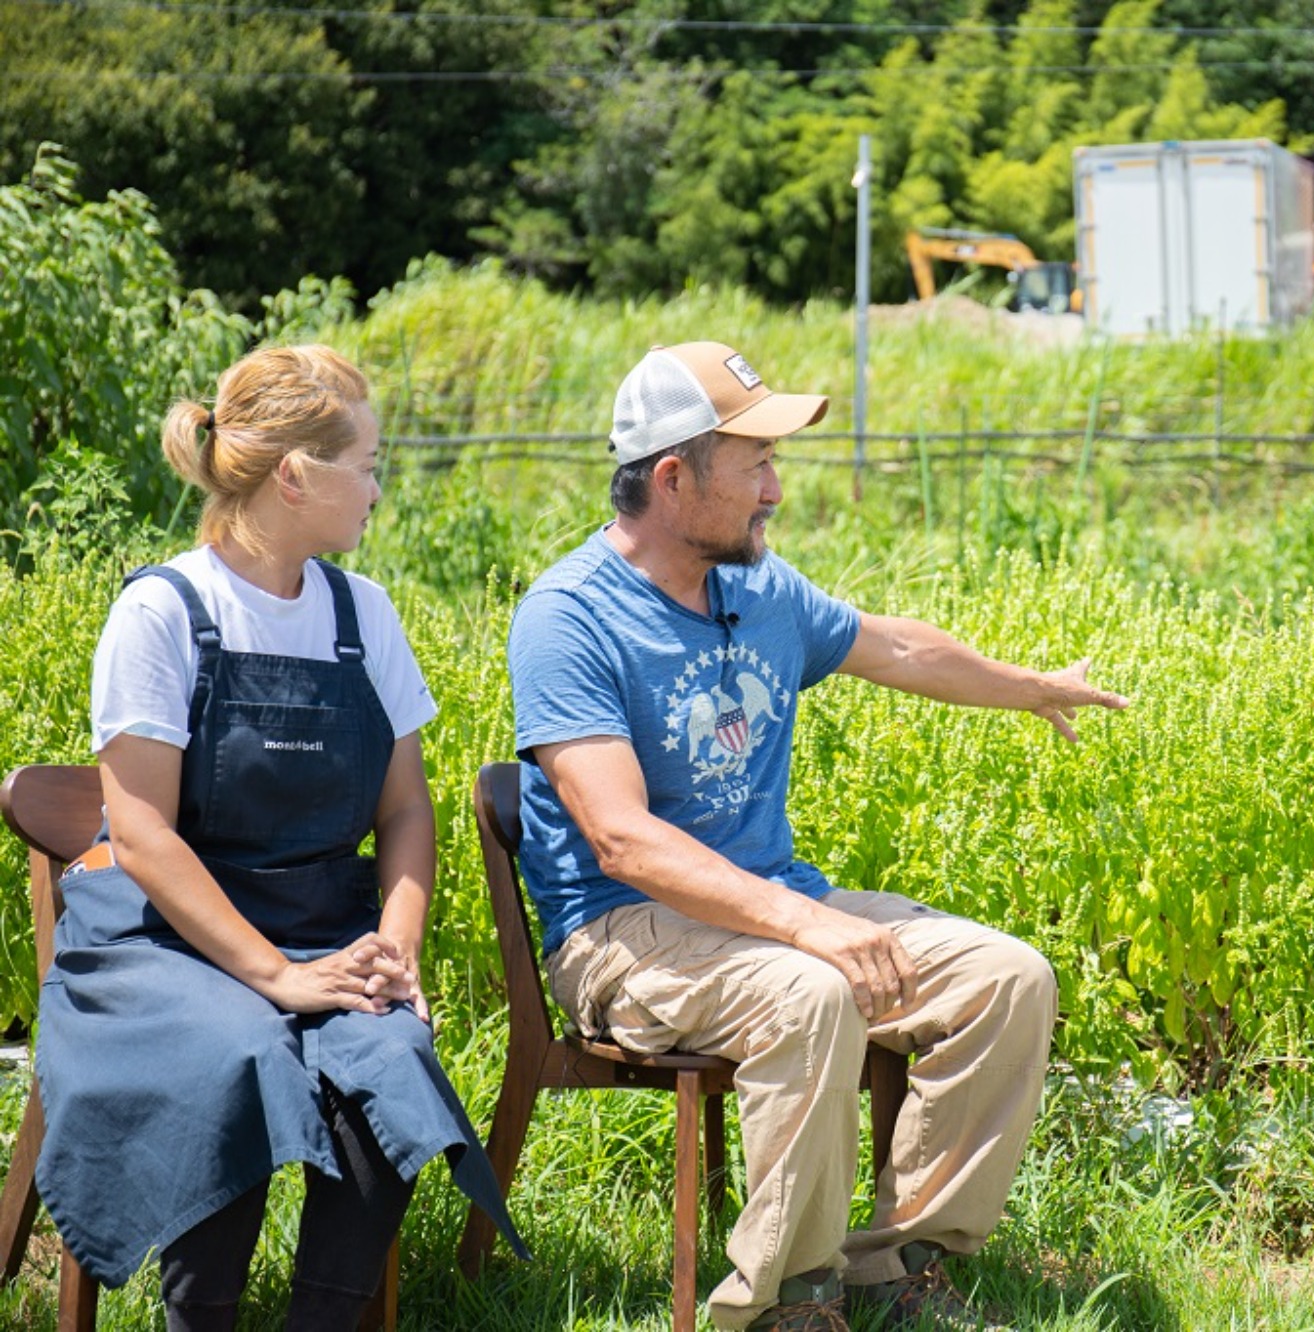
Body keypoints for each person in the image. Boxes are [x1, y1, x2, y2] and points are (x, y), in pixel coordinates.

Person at [507, 340, 1127, 1332]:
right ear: (672, 479)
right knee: (810, 988)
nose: (775, 490)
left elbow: (893, 644)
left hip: (764, 905)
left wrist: (1030, 687)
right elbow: (621, 841)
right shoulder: (569, 618)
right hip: (626, 932)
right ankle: (786, 1304)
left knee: (1004, 979)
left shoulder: (758, 590)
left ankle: (901, 1269)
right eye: (753, 464)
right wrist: (806, 928)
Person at [35, 345, 525, 1330]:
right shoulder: (164, 612)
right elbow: (139, 829)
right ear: (296, 476)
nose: (380, 489)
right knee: (239, 1054)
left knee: (388, 1055)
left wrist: (396, 946)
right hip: (158, 945)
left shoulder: (363, 616)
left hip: (319, 928)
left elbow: (406, 812)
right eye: (369, 464)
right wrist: (273, 974)